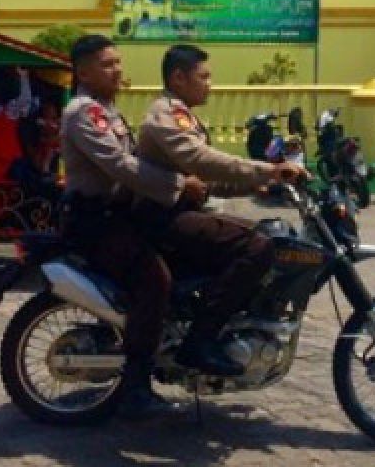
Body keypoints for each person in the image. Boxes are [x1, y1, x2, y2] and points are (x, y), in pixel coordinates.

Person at [135, 44, 305, 378]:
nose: (210, 83)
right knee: (257, 247)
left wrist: (259, 184)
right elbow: (201, 161)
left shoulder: (180, 113)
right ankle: (200, 341)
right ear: (179, 77)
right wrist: (267, 170)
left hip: (178, 210)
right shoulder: (166, 113)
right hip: (162, 216)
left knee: (263, 234)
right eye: (205, 76)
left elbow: (203, 179)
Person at [61, 34, 195, 419]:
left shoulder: (108, 110)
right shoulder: (84, 113)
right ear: (83, 71)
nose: (118, 69)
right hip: (95, 222)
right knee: (155, 279)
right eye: (107, 64)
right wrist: (180, 186)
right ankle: (136, 386)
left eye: (118, 62)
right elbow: (121, 166)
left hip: (119, 214)